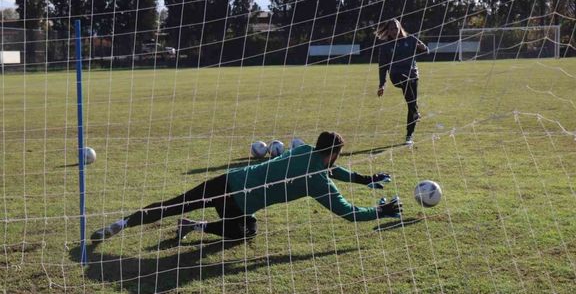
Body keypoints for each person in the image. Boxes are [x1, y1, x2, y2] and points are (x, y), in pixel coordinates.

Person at [91, 132, 403, 243]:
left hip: (227, 180)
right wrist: (380, 210)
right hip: (237, 205)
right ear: (333, 154)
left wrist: (363, 179)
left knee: (175, 203)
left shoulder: (302, 149)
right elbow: (348, 213)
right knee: (247, 230)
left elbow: (333, 168)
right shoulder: (319, 183)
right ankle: (197, 227)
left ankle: (120, 224)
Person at [375, 19, 430, 145]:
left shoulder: (411, 40)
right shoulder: (385, 46)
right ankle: (415, 110)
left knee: (411, 104)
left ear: (400, 28)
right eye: (391, 29)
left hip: (413, 75)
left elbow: (427, 50)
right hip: (396, 76)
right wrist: (382, 84)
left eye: (396, 28)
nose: (394, 31)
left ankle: (409, 136)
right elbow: (382, 66)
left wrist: (423, 47)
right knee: (408, 92)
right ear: (388, 31)